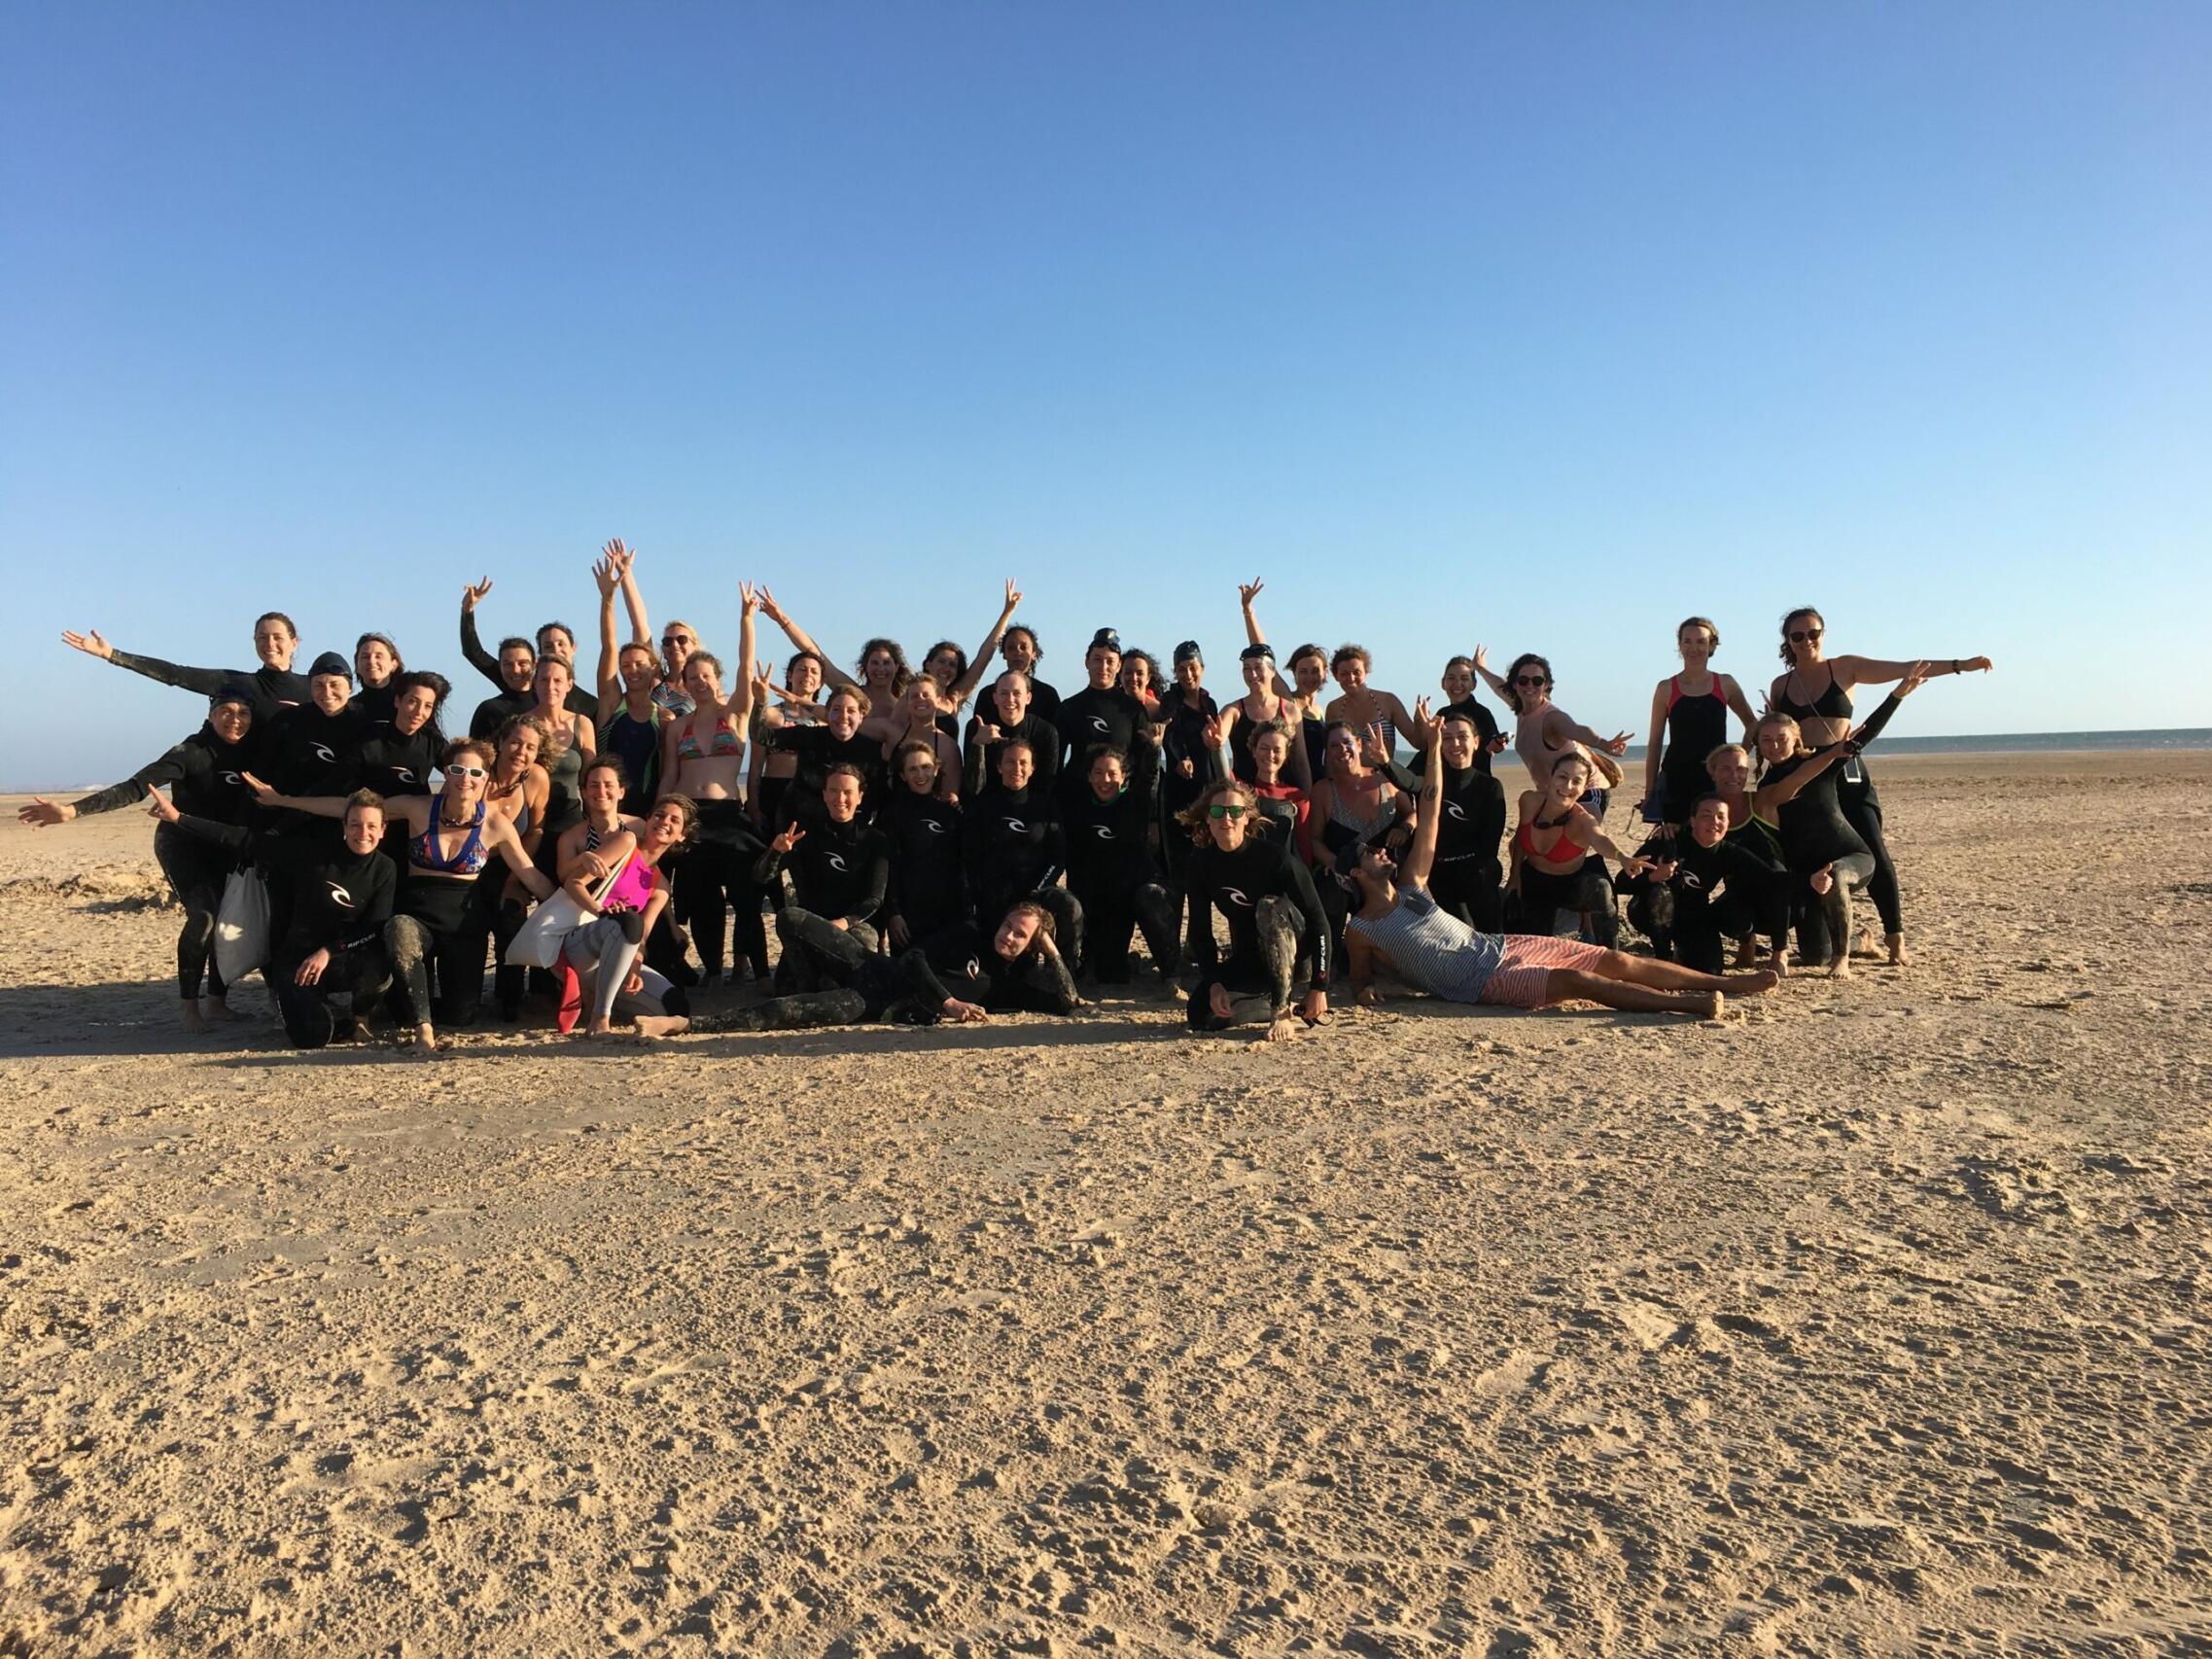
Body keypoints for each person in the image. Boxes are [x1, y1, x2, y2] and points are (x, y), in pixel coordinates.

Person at [1347, 721, 1779, 1018]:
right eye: (1370, 853)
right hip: (1480, 981)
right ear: (1355, 875)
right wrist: (1364, 989)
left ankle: (1729, 985)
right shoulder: (1362, 928)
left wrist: (1434, 747)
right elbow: (1360, 978)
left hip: (1498, 945)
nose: (1382, 852)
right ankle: (1692, 1004)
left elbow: (1431, 809)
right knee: (1580, 981)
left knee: (1613, 959)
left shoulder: (1412, 887)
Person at [243, 740, 553, 1049]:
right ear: (446, 773)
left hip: (463, 929)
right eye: (458, 770)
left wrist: (567, 906)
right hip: (416, 921)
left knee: (460, 1016)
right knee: (400, 937)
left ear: (485, 778)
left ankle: (405, 1001)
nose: (465, 779)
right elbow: (353, 809)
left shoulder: (496, 824)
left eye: (474, 772)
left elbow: (529, 874)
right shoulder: (418, 807)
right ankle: (422, 1029)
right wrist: (284, 800)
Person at [17, 681, 260, 1032]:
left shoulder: (255, 750)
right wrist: (72, 810)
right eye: (225, 712)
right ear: (211, 715)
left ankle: (217, 1004)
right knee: (204, 917)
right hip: (182, 844)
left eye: (243, 713)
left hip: (225, 845)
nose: (234, 719)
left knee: (226, 919)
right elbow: (135, 787)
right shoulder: (190, 752)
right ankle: (190, 1011)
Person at [1770, 607, 1990, 966]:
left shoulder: (1845, 668)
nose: (1807, 641)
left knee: (1872, 846)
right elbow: (1776, 733)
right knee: (1806, 855)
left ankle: (1895, 939)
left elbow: (1907, 668)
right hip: (1807, 777)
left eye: (1813, 633)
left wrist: (1959, 665)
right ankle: (1843, 937)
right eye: (1798, 635)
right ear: (1788, 642)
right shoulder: (1781, 685)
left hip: (1845, 767)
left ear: (1823, 634)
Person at [148, 786, 395, 1048]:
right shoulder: (312, 854)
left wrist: (329, 952)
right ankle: (326, 1014)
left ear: (382, 830)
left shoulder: (384, 868)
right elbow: (243, 839)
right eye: (355, 825)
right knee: (311, 1037)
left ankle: (359, 1018)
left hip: (341, 958)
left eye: (371, 826)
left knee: (376, 964)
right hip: (298, 962)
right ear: (344, 826)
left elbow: (373, 928)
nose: (363, 833)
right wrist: (178, 818)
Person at [1755, 666, 1925, 975]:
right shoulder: (1765, 787)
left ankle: (1842, 960)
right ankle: (1861, 942)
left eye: (1782, 738)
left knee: (1836, 876)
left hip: (1852, 858)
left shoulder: (1822, 762)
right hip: (1809, 874)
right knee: (1813, 956)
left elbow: (1864, 734)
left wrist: (1897, 695)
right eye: (1766, 740)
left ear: (1796, 739)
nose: (1774, 746)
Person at [659, 600, 764, 989]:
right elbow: (670, 774)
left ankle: (754, 969)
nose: (700, 682)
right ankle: (714, 971)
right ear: (684, 683)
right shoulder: (677, 726)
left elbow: (745, 664)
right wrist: (658, 815)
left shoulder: (734, 713)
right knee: (703, 899)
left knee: (746, 895)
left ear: (717, 679)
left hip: (729, 814)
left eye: (706, 675)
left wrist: (746, 619)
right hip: (690, 817)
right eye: (693, 677)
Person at [1179, 777, 1330, 1042]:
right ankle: (1269, 1001)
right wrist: (1214, 984)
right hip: (1252, 957)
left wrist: (1320, 986)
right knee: (1201, 1014)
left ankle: (1282, 1010)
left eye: (1235, 811)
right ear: (1208, 818)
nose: (1227, 818)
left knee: (1267, 907)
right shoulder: (1201, 863)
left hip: (1294, 953)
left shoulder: (1274, 857)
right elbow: (1201, 932)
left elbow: (1318, 920)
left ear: (1247, 817)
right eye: (1218, 811)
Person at [549, 779, 692, 1039]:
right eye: (659, 815)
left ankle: (599, 994)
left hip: (616, 955)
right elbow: (573, 882)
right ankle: (599, 1019)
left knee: (676, 1006)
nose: (665, 822)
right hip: (577, 945)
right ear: (648, 819)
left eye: (675, 820)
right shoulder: (627, 843)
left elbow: (643, 934)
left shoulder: (660, 885)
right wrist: (602, 911)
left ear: (682, 834)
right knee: (627, 921)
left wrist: (635, 967)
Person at [755, 764, 891, 989]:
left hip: (853, 927)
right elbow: (761, 877)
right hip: (811, 926)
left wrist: (843, 923)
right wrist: (775, 852)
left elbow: (874, 899)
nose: (840, 798)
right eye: (834, 791)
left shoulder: (875, 840)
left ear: (860, 797)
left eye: (848, 792)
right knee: (787, 985)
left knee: (863, 944)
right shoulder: (805, 836)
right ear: (824, 794)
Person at [1640, 795, 1805, 976]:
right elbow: (1622, 883)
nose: (1714, 822)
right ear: (1692, 821)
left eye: (1721, 817)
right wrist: (1654, 877)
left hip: (1693, 916)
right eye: (1706, 815)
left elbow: (1772, 878)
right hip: (1650, 912)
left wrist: (1811, 881)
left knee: (1711, 969)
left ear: (1728, 823)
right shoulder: (1668, 840)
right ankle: (1663, 958)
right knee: (1660, 894)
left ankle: (1682, 950)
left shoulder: (1727, 851)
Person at [1060, 739, 1178, 985]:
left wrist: (1154, 747)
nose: (1105, 780)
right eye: (1098, 773)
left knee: (1150, 897)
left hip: (1135, 891)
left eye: (1112, 773)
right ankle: (1124, 960)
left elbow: (1149, 777)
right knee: (1109, 974)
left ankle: (1171, 973)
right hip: (1099, 895)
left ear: (1124, 777)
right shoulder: (1079, 809)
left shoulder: (1135, 803)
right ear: (1089, 777)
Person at [1507, 750, 1655, 944]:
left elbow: (1600, 839)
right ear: (1550, 778)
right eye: (1562, 777)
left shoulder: (1583, 819)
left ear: (1584, 788)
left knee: (1601, 888)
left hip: (1569, 887)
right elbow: (1519, 838)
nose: (1567, 786)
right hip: (1533, 882)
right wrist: (1514, 875)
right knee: (1528, 946)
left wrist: (1622, 857)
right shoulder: (1529, 801)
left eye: (1576, 781)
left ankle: (1608, 953)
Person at [1380, 704, 1504, 931]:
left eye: (1462, 737)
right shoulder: (1432, 781)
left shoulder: (1490, 787)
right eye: (1447, 738)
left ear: (1476, 742)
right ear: (1439, 744)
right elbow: (1408, 781)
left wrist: (1477, 872)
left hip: (1477, 872)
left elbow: (1490, 845)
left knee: (1490, 926)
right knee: (1460, 932)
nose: (1455, 744)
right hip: (1441, 873)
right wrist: (1385, 762)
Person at [62, 611, 309, 723]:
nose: (269, 644)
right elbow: (176, 674)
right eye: (262, 637)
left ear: (294, 643)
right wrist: (112, 655)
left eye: (277, 637)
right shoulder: (239, 684)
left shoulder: (315, 687)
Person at [963, 737, 1081, 965]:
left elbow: (1057, 858)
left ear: (1032, 768)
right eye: (1010, 762)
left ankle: (1066, 967)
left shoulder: (1046, 807)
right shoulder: (983, 807)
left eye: (1023, 763)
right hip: (994, 893)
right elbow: (970, 855)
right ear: (999, 767)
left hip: (1036, 892)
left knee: (1070, 905)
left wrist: (1036, 891)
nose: (1016, 768)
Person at [1476, 648, 1631, 817]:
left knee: (1571, 834)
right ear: (1515, 684)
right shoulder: (1522, 707)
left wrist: (1603, 743)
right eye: (1523, 680)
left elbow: (1576, 729)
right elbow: (1499, 687)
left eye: (1537, 681)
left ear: (1546, 685)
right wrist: (1480, 668)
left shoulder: (1552, 717)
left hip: (1586, 791)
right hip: (1556, 793)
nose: (1530, 686)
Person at [1638, 617, 1757, 830]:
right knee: (1675, 840)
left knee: (1714, 836)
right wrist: (1650, 791)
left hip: (1715, 779)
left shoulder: (1725, 683)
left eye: (1701, 641)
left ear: (1712, 645)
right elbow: (1655, 743)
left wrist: (1736, 758)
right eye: (1687, 641)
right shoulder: (1666, 688)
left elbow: (1752, 724)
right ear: (1680, 645)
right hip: (1676, 778)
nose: (1694, 648)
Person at [1155, 642, 1221, 971]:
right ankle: (1171, 951)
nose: (1187, 674)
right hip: (1178, 797)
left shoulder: (1210, 702)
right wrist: (1179, 758)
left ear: (1202, 668)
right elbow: (1167, 735)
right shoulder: (1171, 700)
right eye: (1181, 669)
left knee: (1203, 876)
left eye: (1192, 667)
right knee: (1178, 877)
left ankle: (1196, 945)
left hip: (1206, 798)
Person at [458, 574, 599, 723]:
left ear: (573, 647)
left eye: (561, 644)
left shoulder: (589, 705)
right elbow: (474, 653)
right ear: (539, 655)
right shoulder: (523, 680)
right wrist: (467, 611)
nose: (555, 650)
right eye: (548, 646)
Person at [591, 546, 666, 812]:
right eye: (625, 665)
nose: (632, 670)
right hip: (608, 809)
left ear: (654, 669)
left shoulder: (664, 717)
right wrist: (607, 599)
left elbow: (667, 770)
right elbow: (608, 646)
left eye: (639, 664)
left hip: (649, 810)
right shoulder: (612, 703)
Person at [1234, 581, 1331, 777]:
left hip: (1320, 783)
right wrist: (1248, 610)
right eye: (1303, 671)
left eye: (1315, 671)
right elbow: (1261, 650)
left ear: (1325, 672)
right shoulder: (1288, 702)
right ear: (1294, 673)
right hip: (1292, 784)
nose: (1309, 677)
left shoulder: (1323, 711)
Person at [882, 741, 969, 957]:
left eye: (926, 767)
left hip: (948, 914)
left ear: (936, 769)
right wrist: (893, 913)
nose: (920, 775)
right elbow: (887, 867)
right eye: (912, 769)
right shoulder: (892, 816)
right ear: (903, 775)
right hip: (907, 917)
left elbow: (962, 864)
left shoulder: (952, 813)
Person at [923, 898, 1082, 1016]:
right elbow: (913, 957)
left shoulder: (1016, 983)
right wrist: (948, 1002)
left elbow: (1069, 1002)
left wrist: (1052, 952)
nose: (1008, 936)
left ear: (1030, 946)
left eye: (1020, 934)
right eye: (1008, 926)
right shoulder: (971, 935)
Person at [1218, 643, 1315, 790]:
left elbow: (1300, 761)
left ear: (1273, 671)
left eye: (1258, 667)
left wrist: (1306, 796)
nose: (1253, 674)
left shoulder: (1290, 711)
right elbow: (1218, 740)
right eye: (1246, 668)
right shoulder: (1233, 711)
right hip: (1245, 795)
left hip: (1282, 794)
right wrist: (1216, 740)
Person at [1054, 628, 1151, 772]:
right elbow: (1055, 763)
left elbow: (1144, 764)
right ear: (1087, 662)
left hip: (1119, 786)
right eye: (1097, 659)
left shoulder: (1133, 710)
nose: (1103, 667)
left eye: (1110, 661)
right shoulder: (1069, 708)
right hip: (1077, 786)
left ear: (1118, 666)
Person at [353, 671, 450, 815]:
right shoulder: (369, 743)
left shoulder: (433, 742)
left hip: (416, 824)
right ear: (397, 701)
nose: (419, 712)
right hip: (376, 823)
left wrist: (437, 807)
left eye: (427, 706)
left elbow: (463, 771)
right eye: (413, 701)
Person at [963, 671, 1064, 797]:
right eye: (1004, 693)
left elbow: (1046, 785)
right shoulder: (977, 728)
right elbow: (973, 789)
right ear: (995, 698)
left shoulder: (1045, 732)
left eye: (1017, 694)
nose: (1010, 699)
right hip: (986, 802)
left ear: (1028, 698)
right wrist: (978, 745)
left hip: (1029, 803)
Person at [1324, 643, 1429, 759]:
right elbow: (1330, 754)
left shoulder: (1388, 701)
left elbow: (1419, 744)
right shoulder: (1334, 708)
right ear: (1336, 676)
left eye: (1356, 672)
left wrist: (1420, 724)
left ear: (1366, 673)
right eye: (1344, 673)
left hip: (1384, 771)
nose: (1351, 678)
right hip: (1348, 771)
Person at [999, 623, 1059, 726]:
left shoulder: (1047, 695)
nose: (1017, 652)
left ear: (1033, 654)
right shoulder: (987, 695)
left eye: (1023, 647)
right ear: (1004, 654)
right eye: (1011, 648)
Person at [353, 633, 404, 724]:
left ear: (394, 665)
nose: (371, 661)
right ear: (357, 666)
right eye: (365, 657)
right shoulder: (349, 709)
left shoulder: (405, 707)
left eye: (378, 656)